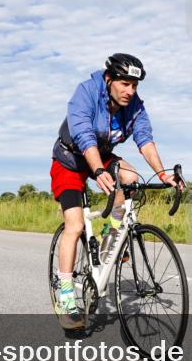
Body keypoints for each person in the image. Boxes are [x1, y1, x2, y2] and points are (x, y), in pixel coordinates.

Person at [50, 54, 182, 330]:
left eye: (134, 85)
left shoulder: (134, 106)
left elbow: (144, 139)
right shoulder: (86, 93)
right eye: (124, 84)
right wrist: (98, 171)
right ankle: (65, 296)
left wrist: (161, 174)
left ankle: (112, 233)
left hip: (103, 155)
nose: (130, 91)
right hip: (71, 160)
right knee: (74, 226)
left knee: (131, 176)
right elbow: (84, 135)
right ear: (109, 79)